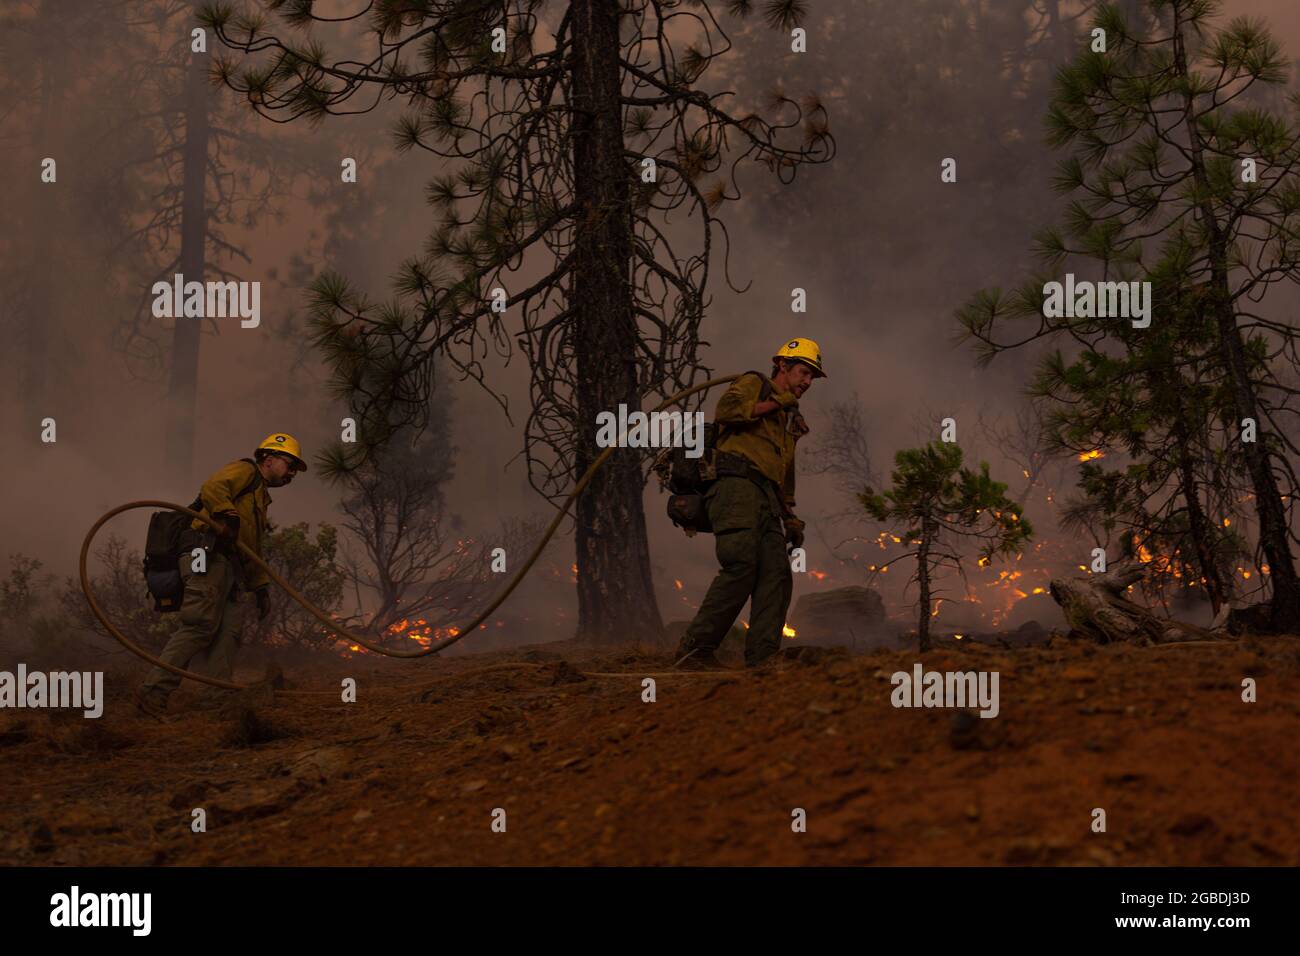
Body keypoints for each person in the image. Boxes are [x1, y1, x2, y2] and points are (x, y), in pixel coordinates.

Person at [674, 338, 824, 668]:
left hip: (767, 499)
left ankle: (762, 658)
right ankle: (694, 651)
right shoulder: (755, 382)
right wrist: (779, 401)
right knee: (741, 565)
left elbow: (783, 470)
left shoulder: (787, 416)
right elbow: (727, 410)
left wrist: (790, 516)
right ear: (782, 366)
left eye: (812, 377)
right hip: (735, 487)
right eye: (803, 372)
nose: (807, 382)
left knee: (777, 574)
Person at [134, 433, 307, 716]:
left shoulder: (260, 498)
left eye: (295, 471)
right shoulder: (245, 470)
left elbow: (250, 547)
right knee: (199, 624)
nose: (291, 474)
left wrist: (260, 586)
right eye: (290, 466)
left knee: (228, 633)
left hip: (230, 568)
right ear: (270, 459)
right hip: (206, 556)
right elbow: (213, 486)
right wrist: (227, 515)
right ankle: (153, 692)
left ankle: (216, 701)